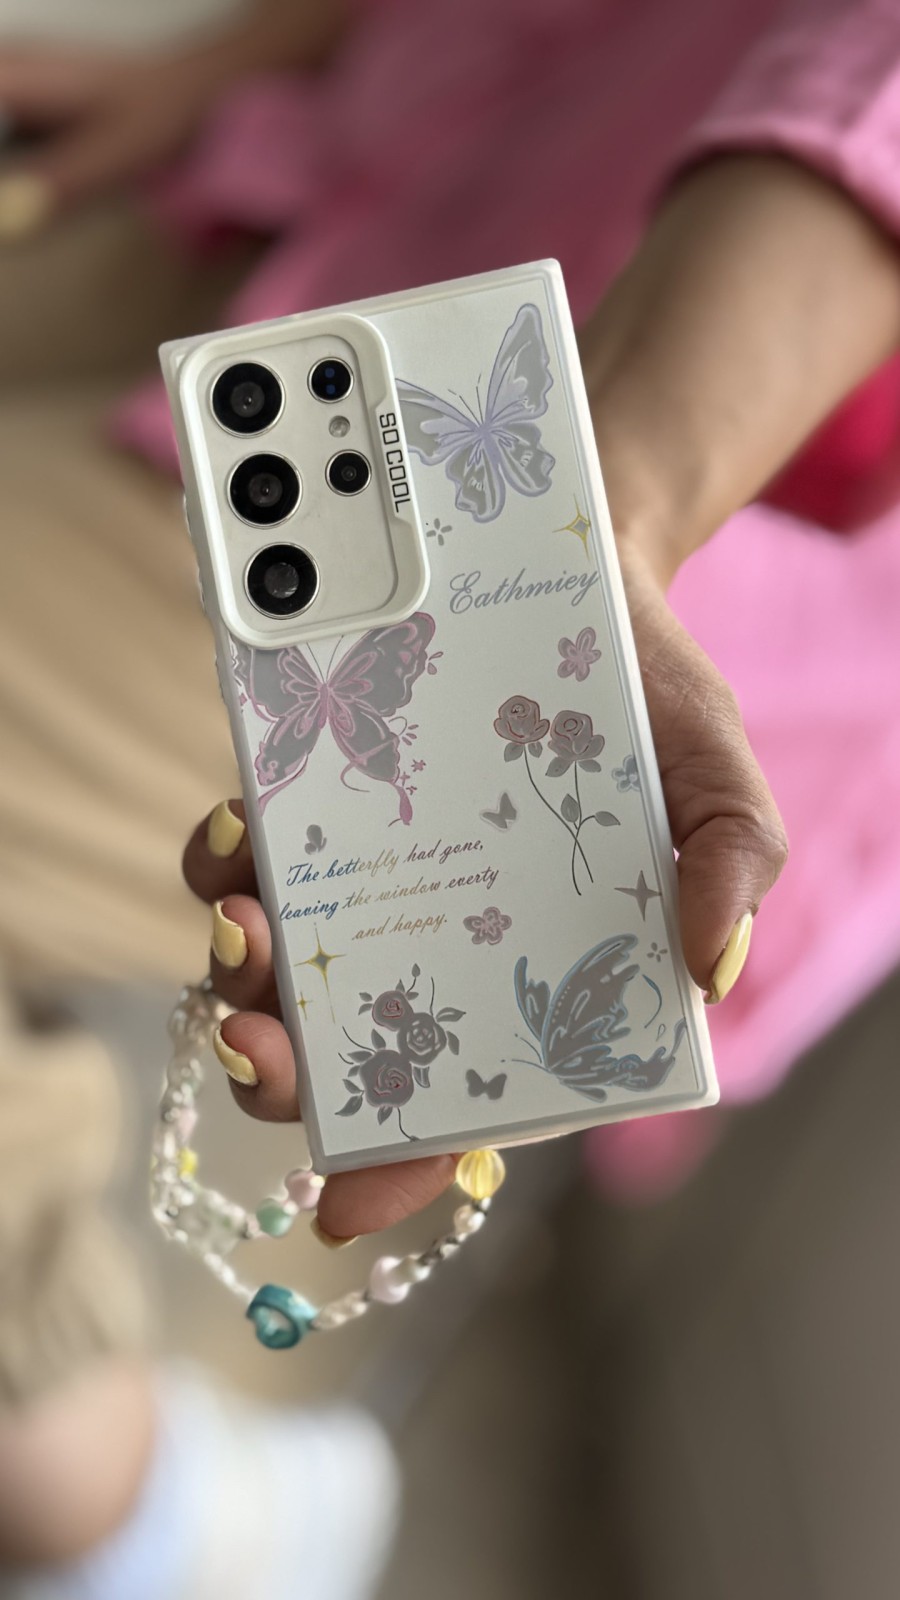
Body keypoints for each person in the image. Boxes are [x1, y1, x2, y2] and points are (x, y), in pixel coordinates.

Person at [2, 1, 900, 1596]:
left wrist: (595, 517)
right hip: (376, 157)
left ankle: (128, 1507)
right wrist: (268, 56)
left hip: (619, 445)